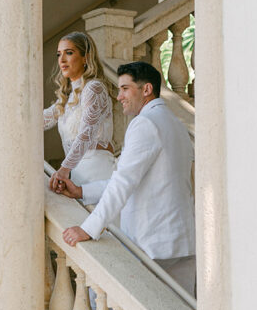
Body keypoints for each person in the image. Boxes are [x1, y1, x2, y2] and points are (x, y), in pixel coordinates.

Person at [58, 60, 196, 297]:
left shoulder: (144, 123)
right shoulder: (177, 124)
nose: (119, 96)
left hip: (153, 243)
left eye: (125, 89)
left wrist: (89, 229)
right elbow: (137, 178)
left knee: (100, 296)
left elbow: (123, 183)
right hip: (183, 242)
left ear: (146, 90)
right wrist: (82, 192)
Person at [0, 31, 115, 190]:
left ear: (86, 57)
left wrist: (64, 169)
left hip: (98, 170)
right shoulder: (67, 100)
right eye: (59, 54)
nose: (62, 60)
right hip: (77, 174)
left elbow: (86, 134)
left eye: (69, 53)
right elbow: (32, 123)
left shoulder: (94, 88)